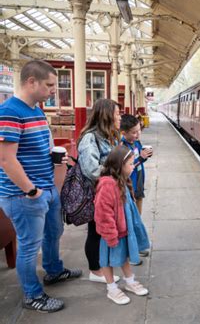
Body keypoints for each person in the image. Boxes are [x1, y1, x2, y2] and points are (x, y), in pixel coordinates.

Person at [0, 60, 82, 313]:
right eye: (50, 85)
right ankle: (32, 295)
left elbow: (35, 149)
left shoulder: (35, 110)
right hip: (24, 195)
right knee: (28, 246)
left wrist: (56, 159)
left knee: (53, 233)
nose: (54, 90)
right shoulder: (10, 112)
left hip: (45, 189)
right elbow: (5, 159)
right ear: (31, 82)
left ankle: (54, 270)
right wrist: (31, 190)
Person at [94, 145, 150, 305]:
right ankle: (111, 288)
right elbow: (103, 213)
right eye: (131, 164)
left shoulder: (120, 180)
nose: (134, 166)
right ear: (120, 165)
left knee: (124, 255)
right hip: (111, 232)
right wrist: (110, 235)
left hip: (123, 229)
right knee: (106, 260)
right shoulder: (107, 184)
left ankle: (129, 281)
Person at [77, 98, 121, 283]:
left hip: (108, 192)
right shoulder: (90, 138)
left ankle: (101, 268)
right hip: (97, 194)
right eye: (117, 114)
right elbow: (91, 169)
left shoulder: (108, 136)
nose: (120, 117)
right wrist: (114, 170)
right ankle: (95, 271)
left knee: (102, 230)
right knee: (95, 232)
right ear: (107, 115)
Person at [120, 114, 152, 260]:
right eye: (133, 132)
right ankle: (133, 250)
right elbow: (128, 168)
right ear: (123, 133)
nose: (137, 134)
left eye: (139, 130)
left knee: (137, 217)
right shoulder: (122, 147)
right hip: (129, 187)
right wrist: (141, 158)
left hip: (138, 185)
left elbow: (138, 163)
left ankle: (137, 245)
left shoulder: (136, 143)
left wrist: (143, 157)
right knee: (130, 219)